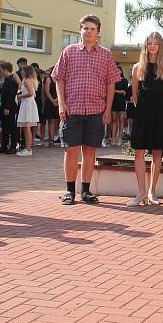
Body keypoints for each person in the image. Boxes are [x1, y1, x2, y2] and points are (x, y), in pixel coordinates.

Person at [52, 14, 119, 205]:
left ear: (98, 32)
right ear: (80, 30)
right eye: (85, 28)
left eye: (92, 29)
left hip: (96, 110)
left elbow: (110, 84)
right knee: (71, 151)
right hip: (72, 109)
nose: (89, 32)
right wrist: (62, 103)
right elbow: (59, 78)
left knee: (89, 151)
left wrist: (108, 110)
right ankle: (69, 191)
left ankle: (86, 191)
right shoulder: (69, 52)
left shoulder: (106, 55)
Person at [126, 33, 163, 206]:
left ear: (160, 45)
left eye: (156, 43)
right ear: (145, 45)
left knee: (157, 151)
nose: (152, 46)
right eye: (149, 43)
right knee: (139, 151)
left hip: (160, 111)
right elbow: (134, 95)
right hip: (142, 111)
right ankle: (140, 192)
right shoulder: (137, 67)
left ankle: (152, 192)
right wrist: (141, 111)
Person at [15, 65, 40, 156]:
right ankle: (27, 147)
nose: (21, 72)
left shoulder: (26, 81)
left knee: (26, 126)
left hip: (27, 103)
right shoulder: (29, 80)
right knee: (26, 127)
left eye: (22, 71)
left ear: (26, 72)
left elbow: (31, 93)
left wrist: (19, 96)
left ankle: (28, 149)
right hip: (28, 103)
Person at [0, 62, 19, 155]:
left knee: (11, 127)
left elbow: (11, 95)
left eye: (1, 70)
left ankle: (13, 146)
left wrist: (7, 107)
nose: (0, 72)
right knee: (4, 127)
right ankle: (4, 145)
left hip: (9, 107)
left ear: (6, 70)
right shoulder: (7, 80)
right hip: (4, 105)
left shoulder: (12, 81)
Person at [42, 67, 60, 146]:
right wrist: (52, 100)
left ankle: (57, 137)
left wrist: (57, 99)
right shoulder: (49, 79)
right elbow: (47, 91)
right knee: (51, 121)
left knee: (58, 120)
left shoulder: (59, 79)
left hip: (58, 101)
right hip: (50, 102)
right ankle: (51, 139)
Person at [111, 66, 128, 146]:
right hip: (113, 101)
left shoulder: (124, 80)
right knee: (114, 119)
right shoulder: (113, 80)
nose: (117, 71)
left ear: (121, 71)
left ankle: (120, 138)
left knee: (121, 119)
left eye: (118, 70)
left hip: (121, 101)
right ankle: (113, 138)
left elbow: (124, 92)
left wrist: (114, 91)